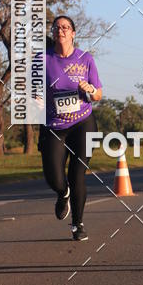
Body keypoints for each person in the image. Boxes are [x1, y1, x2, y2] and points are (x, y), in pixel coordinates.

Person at [38, 16, 103, 241]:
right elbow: (30, 93)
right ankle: (62, 193)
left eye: (66, 27)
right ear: (53, 33)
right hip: (54, 125)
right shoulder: (42, 60)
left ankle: (77, 224)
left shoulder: (86, 59)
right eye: (56, 27)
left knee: (77, 174)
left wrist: (91, 89)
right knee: (53, 176)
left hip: (83, 122)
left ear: (73, 33)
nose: (61, 30)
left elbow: (98, 94)